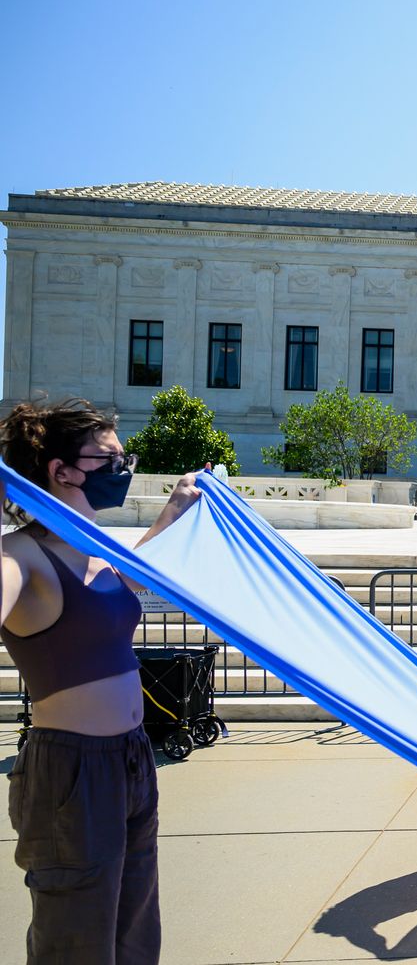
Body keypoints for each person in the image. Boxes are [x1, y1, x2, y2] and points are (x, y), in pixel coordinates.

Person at [1, 397, 202, 963]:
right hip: (71, 769)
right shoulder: (20, 557)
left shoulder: (98, 551)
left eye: (124, 456)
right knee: (77, 937)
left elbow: (131, 581)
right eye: (108, 459)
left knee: (135, 929)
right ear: (60, 471)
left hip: (132, 758)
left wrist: (178, 507)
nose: (123, 468)